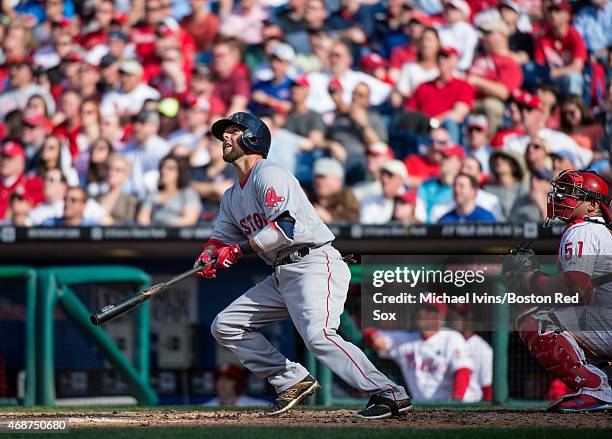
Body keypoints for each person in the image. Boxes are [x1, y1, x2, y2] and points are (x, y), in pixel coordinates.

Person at [194, 112, 411, 418]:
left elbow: (284, 228)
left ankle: (388, 392)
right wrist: (209, 253)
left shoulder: (268, 174)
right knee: (226, 326)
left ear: (253, 138)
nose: (225, 137)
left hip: (312, 262)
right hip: (283, 273)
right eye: (223, 133)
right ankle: (291, 379)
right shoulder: (231, 195)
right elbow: (220, 238)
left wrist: (237, 250)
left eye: (233, 131)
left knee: (319, 335)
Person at [506, 170, 612, 412]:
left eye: (573, 193)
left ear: (593, 205)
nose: (562, 197)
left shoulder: (583, 230)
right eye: (563, 190)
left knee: (533, 317)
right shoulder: (600, 230)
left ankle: (596, 389)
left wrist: (531, 279)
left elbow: (575, 287)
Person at [363, 300, 473, 402]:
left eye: (429, 310)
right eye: (420, 308)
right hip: (425, 407)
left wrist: (456, 402)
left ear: (441, 316)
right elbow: (369, 332)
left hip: (460, 405)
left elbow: (463, 371)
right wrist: (374, 338)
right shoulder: (407, 340)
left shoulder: (451, 338)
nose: (422, 313)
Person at [466, 17, 523, 135]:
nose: (483, 38)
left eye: (488, 33)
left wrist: (476, 81)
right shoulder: (479, 56)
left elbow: (503, 92)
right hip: (466, 101)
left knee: (492, 105)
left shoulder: (509, 63)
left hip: (487, 104)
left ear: (501, 36)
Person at [404, 46, 473, 143]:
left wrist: (434, 122)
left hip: (445, 130)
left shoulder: (463, 86)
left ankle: (450, 153)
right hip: (423, 131)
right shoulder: (424, 86)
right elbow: (409, 111)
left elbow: (458, 114)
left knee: (450, 123)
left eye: (446, 57)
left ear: (455, 62)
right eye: (439, 57)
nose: (441, 60)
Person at [326, 81, 387, 185]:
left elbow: (379, 145)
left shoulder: (373, 117)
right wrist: (331, 145)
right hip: (333, 156)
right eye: (354, 93)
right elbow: (324, 138)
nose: (355, 97)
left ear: (367, 100)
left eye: (360, 95)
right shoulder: (339, 116)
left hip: (358, 158)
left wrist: (363, 124)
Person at [535, 0, 587, 96]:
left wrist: (558, 72)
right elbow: (539, 64)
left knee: (573, 78)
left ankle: (572, 106)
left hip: (566, 77)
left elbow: (577, 67)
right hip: (550, 80)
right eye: (551, 11)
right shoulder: (543, 37)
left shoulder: (575, 36)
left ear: (567, 15)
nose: (553, 15)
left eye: (558, 11)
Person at [29, 168, 113, 226]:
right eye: (45, 179)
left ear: (64, 184)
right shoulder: (46, 220)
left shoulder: (91, 222)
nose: (46, 183)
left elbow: (107, 223)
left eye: (51, 180)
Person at [137, 154, 202, 226]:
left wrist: (163, 226)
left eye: (170, 168)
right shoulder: (152, 195)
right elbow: (143, 220)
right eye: (162, 167)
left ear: (179, 173)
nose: (164, 171)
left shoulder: (188, 193)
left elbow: (189, 220)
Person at [121, 110, 171, 199]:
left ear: (154, 127)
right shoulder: (129, 147)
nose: (136, 127)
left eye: (142, 123)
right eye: (135, 123)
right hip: (130, 198)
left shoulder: (163, 149)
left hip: (155, 198)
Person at [392, 26, 441, 105]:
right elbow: (402, 90)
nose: (425, 44)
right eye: (422, 40)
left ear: (438, 43)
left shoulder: (444, 69)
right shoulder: (409, 67)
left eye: (429, 40)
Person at [0, 141, 44, 221]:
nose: (4, 161)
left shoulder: (32, 183)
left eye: (9, 158)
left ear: (21, 162)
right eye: (2, 157)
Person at [360, 159, 411, 224]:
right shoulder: (369, 201)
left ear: (401, 180)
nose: (384, 179)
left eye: (390, 175)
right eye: (382, 174)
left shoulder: (411, 202)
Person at [311, 158, 360, 223]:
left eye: (322, 176)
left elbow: (355, 226)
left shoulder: (347, 200)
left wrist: (331, 221)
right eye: (315, 177)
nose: (318, 181)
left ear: (338, 179)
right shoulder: (307, 200)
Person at [96, 154, 139, 225]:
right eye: (109, 168)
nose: (111, 172)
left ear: (126, 176)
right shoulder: (96, 198)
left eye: (117, 170)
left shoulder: (131, 201)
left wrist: (111, 223)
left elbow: (130, 227)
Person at [436, 0, 478, 71]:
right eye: (447, 8)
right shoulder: (438, 29)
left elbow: (467, 59)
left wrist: (454, 69)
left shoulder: (469, 31)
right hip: (438, 68)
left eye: (453, 9)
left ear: (463, 13)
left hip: (459, 70)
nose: (449, 11)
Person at [204, 363, 269, 407]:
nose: (222, 382)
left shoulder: (260, 406)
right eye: (219, 378)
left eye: (228, 378)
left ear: (238, 383)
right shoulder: (206, 407)